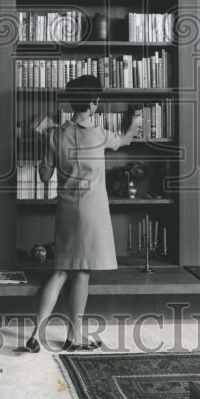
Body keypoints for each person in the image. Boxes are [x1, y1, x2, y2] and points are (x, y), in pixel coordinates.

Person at [25, 75, 143, 352]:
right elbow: (125, 140)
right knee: (82, 273)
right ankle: (74, 336)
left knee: (61, 270)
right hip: (92, 210)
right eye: (96, 100)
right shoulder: (100, 134)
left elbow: (43, 176)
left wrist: (44, 141)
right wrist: (135, 122)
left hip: (66, 208)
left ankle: (35, 333)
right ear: (92, 104)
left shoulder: (56, 134)